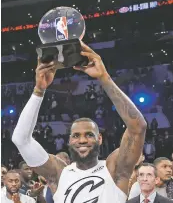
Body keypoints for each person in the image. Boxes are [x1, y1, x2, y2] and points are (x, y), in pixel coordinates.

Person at [12, 42, 147, 203]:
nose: (82, 140)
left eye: (89, 134)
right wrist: (38, 90)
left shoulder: (114, 169)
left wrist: (104, 78)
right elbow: (21, 139)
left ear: (100, 139)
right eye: (76, 135)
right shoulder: (59, 173)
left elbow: (138, 128)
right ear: (69, 140)